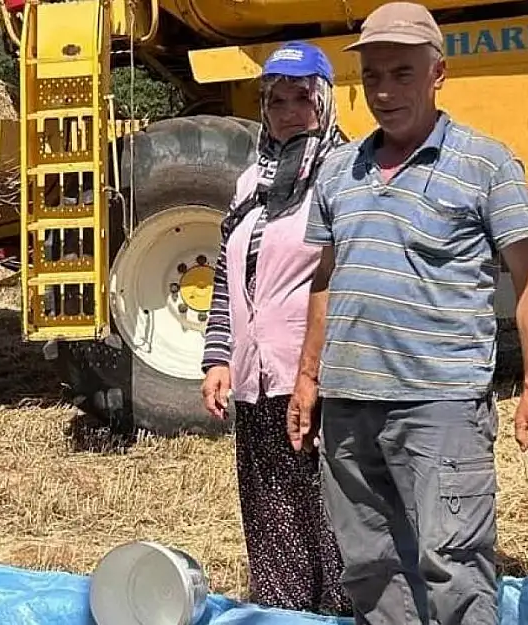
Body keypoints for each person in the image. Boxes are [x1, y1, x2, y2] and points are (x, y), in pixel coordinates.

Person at [286, 3, 528, 624]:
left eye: (403, 74)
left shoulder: (485, 163)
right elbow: (325, 281)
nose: (385, 91)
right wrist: (308, 379)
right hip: (350, 405)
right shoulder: (339, 169)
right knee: (371, 567)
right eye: (374, 76)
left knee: (453, 566)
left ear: (440, 73)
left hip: (440, 405)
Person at [200, 40, 352, 616]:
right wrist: (218, 359)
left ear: (326, 101)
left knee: (331, 515)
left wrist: (322, 372)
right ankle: (284, 615)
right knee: (271, 515)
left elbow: (348, 275)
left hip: (321, 376)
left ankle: (340, 615)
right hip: (257, 380)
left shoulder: (342, 175)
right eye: (278, 99)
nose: (290, 111)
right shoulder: (250, 185)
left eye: (302, 98)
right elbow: (227, 279)